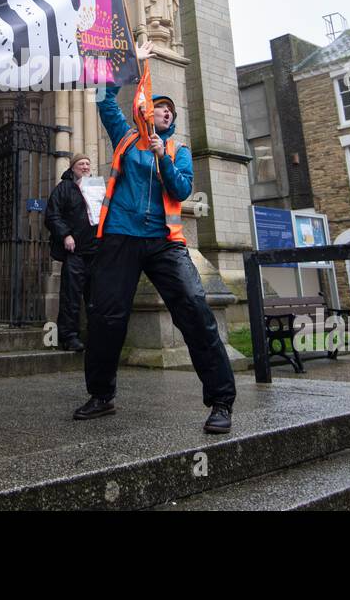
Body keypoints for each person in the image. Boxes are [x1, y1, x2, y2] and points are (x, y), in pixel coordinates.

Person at [73, 39, 237, 434]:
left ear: (173, 122)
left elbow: (180, 191)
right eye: (158, 106)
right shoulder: (127, 138)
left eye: (170, 110)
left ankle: (220, 401)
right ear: (147, 111)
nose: (164, 111)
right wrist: (130, 62)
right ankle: (101, 395)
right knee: (106, 316)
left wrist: (163, 155)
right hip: (120, 236)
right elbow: (101, 100)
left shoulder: (177, 151)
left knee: (195, 309)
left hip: (165, 241)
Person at [45, 153, 100, 352]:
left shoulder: (96, 188)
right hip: (75, 252)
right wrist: (66, 235)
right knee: (71, 296)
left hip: (96, 251)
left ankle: (96, 337)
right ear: (73, 168)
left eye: (87, 164)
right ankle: (69, 337)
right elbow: (52, 215)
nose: (85, 166)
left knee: (96, 297)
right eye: (81, 164)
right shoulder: (64, 188)